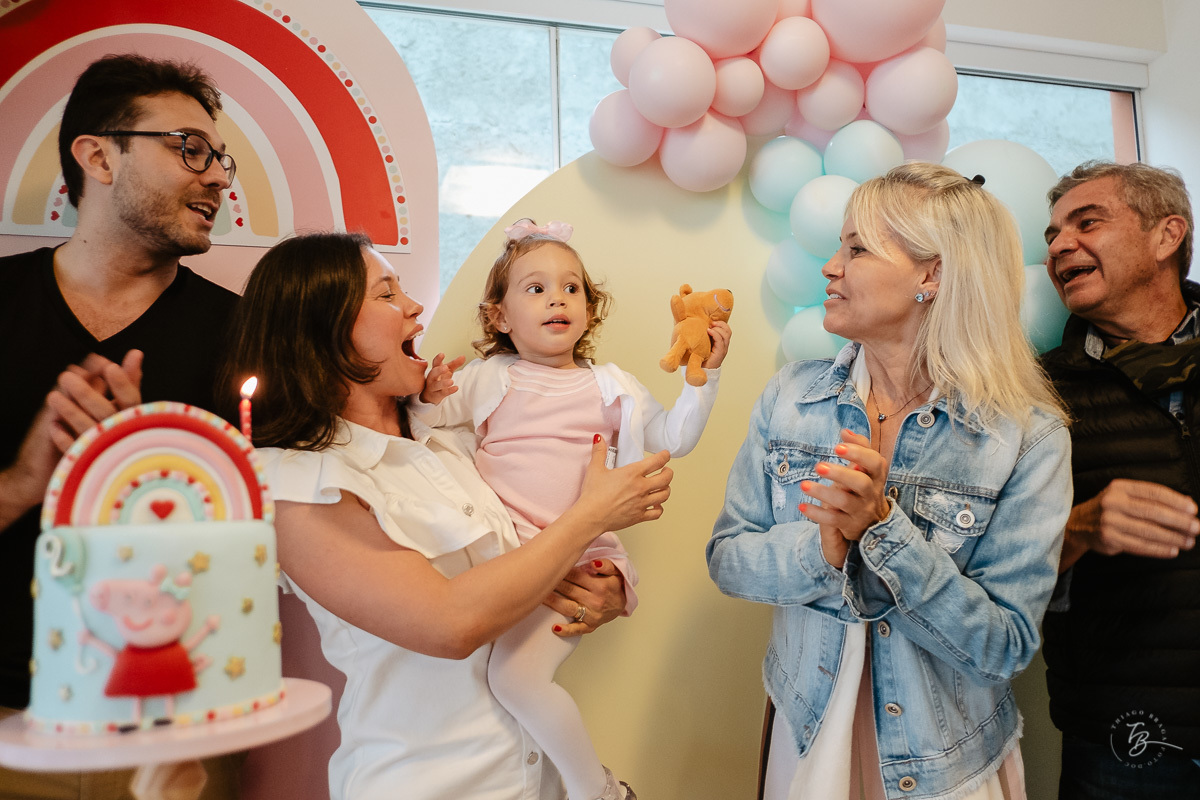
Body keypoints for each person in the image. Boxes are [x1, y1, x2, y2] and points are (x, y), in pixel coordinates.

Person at [218, 230, 674, 800]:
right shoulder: (296, 482)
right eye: (387, 294)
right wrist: (590, 516)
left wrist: (591, 590)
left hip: (538, 783)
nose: (413, 307)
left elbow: (523, 565)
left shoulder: (451, 441)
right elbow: (449, 623)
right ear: (324, 329)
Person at [707, 162, 1072, 800]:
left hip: (948, 767)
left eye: (856, 249)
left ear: (931, 274)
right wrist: (823, 547)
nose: (830, 267)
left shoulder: (1029, 436)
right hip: (809, 735)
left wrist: (884, 532)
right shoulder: (791, 397)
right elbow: (728, 559)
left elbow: (1005, 645)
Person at [414, 218, 731, 800]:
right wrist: (431, 394)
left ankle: (598, 792)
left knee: (515, 678)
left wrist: (703, 377)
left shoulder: (611, 385)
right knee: (490, 680)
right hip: (506, 558)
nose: (557, 298)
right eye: (535, 288)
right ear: (499, 317)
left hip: (580, 563)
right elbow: (425, 429)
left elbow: (673, 438)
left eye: (572, 288)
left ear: (589, 310)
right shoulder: (488, 378)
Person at [0, 55, 242, 798]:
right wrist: (22, 482)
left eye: (220, 158)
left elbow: (289, 532)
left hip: (172, 736)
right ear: (98, 155)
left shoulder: (244, 335)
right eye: (189, 149)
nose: (219, 178)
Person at [1039, 161, 1200, 798]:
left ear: (1167, 236)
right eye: (1051, 234)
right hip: (1124, 744)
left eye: (1087, 222)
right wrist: (1076, 528)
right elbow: (986, 569)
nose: (1058, 247)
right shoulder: (1036, 395)